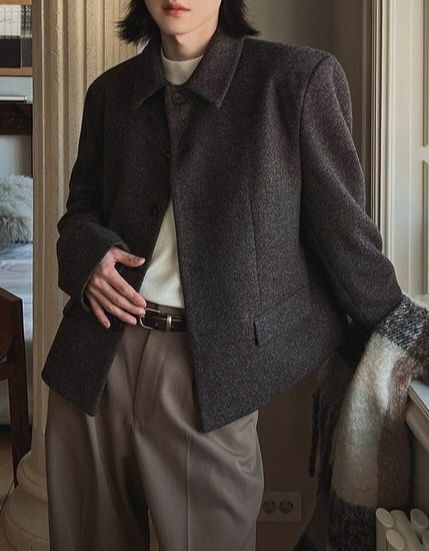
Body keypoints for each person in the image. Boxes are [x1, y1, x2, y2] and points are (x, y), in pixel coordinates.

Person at [43, 0, 404, 550]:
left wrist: (405, 330)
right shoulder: (109, 94)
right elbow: (80, 212)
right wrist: (89, 258)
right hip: (94, 355)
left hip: (207, 374)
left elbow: (347, 238)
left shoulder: (295, 82)